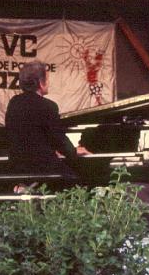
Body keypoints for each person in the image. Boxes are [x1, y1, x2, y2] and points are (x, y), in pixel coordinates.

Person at [5, 60, 90, 188]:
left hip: (17, 166)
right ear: (40, 82)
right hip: (41, 167)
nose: (49, 83)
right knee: (81, 184)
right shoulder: (48, 106)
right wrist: (73, 151)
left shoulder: (14, 103)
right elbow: (58, 139)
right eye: (47, 79)